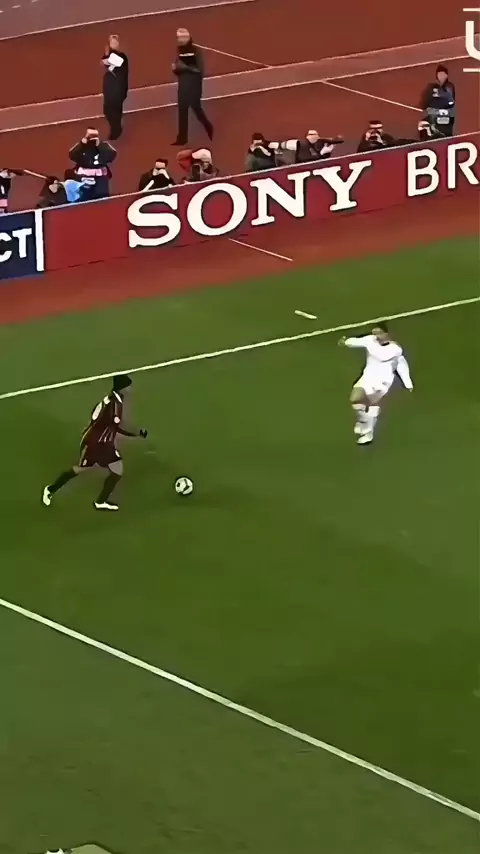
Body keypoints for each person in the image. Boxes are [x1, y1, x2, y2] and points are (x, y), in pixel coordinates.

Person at [42, 375, 148, 512]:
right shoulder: (114, 405)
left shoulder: (112, 399)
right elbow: (119, 427)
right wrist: (138, 433)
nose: (130, 389)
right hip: (94, 445)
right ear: (122, 388)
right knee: (79, 469)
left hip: (105, 444)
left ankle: (100, 502)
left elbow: (99, 418)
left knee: (117, 470)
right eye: (128, 386)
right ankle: (50, 490)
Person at [339, 323, 413, 445]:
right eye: (375, 333)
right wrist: (346, 342)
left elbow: (401, 364)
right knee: (355, 400)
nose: (376, 336)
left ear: (386, 333)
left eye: (379, 333)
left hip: (383, 381)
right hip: (367, 377)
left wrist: (407, 383)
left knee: (371, 404)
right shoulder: (370, 340)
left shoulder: (395, 349)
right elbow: (357, 341)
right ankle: (364, 422)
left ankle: (368, 432)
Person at [172, 27, 213, 145]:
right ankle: (182, 138)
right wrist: (176, 69)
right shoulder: (180, 51)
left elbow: (199, 70)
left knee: (196, 109)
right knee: (182, 110)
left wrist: (183, 67)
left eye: (180, 38)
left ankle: (208, 126)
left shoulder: (196, 52)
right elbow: (178, 69)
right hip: (183, 86)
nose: (178, 40)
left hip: (194, 86)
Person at [69, 128, 116, 201]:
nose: (92, 138)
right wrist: (82, 143)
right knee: (84, 199)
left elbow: (112, 155)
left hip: (100, 177)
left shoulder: (103, 145)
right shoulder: (82, 146)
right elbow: (72, 155)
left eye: (94, 135)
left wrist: (100, 144)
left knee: (102, 200)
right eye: (90, 136)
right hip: (84, 176)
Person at [102, 34, 129, 140]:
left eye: (115, 42)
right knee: (108, 111)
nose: (114, 44)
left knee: (113, 111)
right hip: (111, 90)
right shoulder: (110, 55)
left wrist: (106, 55)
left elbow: (106, 61)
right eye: (112, 42)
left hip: (118, 90)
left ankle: (116, 130)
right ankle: (116, 128)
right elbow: (104, 62)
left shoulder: (122, 57)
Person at [419, 64, 456, 137]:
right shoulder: (434, 87)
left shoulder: (449, 87)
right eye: (439, 74)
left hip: (444, 118)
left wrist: (438, 94)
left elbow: (449, 100)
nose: (441, 76)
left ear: (446, 75)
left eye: (443, 74)